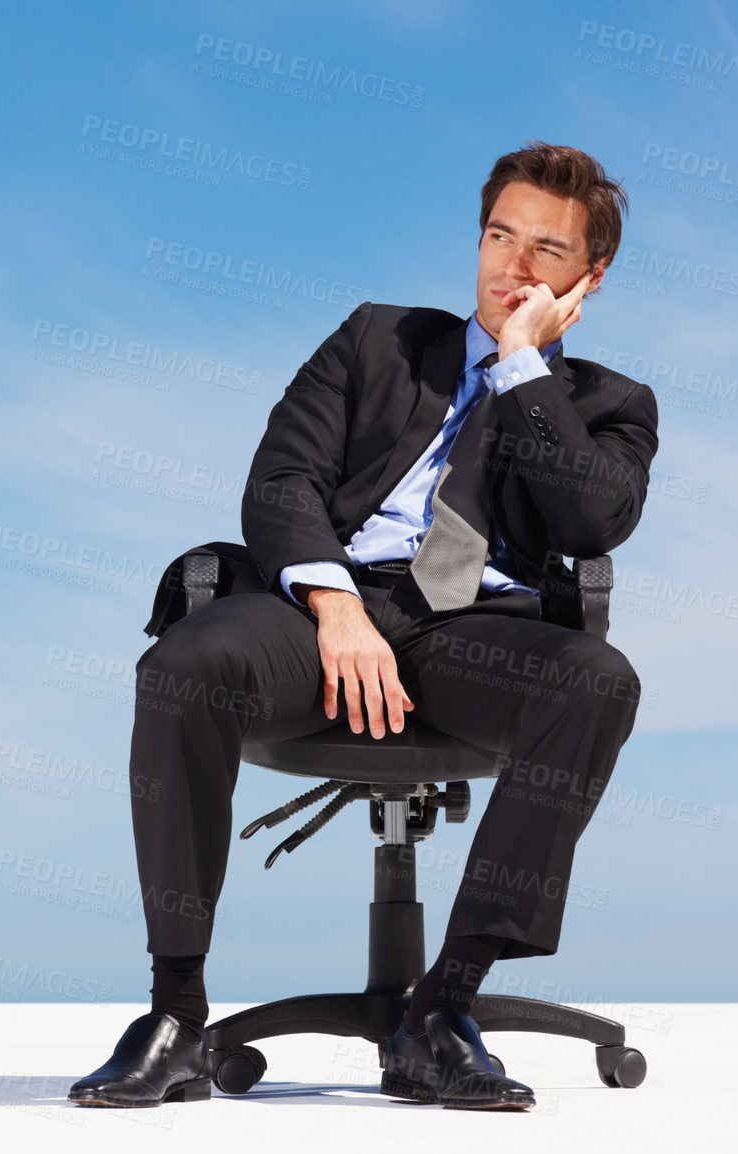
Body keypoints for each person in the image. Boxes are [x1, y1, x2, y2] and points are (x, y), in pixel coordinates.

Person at [68, 141, 658, 1111]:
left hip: (477, 633)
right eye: (497, 237)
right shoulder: (375, 340)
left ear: (588, 278)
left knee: (596, 676)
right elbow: (281, 479)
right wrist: (336, 605)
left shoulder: (609, 406)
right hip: (326, 610)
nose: (510, 266)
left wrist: (518, 366)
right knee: (185, 662)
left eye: (544, 252)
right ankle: (173, 1012)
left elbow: (591, 521)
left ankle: (441, 1006)